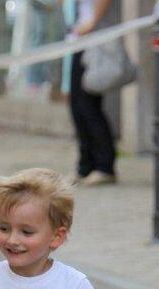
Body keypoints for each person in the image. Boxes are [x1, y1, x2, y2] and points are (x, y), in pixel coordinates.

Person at [68, 0, 116, 186]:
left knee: (88, 106)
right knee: (77, 107)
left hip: (93, 41)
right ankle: (85, 166)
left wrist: (92, 23)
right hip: (78, 40)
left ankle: (104, 166)